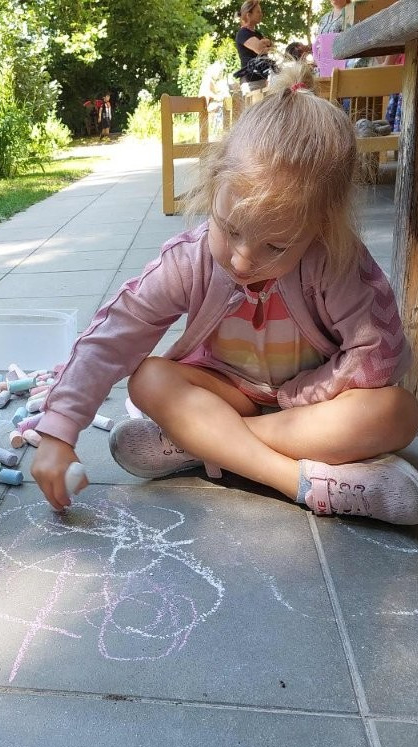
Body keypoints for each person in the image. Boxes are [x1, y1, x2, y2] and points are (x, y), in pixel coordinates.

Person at [31, 62, 418, 528]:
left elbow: (379, 354)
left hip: (316, 408)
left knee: (396, 412)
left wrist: (298, 397)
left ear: (322, 226)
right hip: (228, 393)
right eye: (229, 229)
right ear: (214, 186)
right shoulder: (188, 260)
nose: (240, 260)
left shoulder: (335, 260)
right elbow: (114, 335)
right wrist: (57, 432)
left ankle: (200, 445)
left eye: (274, 246)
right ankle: (303, 481)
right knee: (149, 378)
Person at [235, 1, 272, 94]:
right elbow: (260, 49)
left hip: (260, 79)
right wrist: (264, 43)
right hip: (250, 82)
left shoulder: (257, 34)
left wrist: (266, 43)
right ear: (248, 15)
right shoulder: (243, 33)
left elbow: (270, 46)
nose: (261, 14)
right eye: (258, 12)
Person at [198, 61, 230, 136]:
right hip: (205, 105)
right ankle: (220, 131)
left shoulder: (209, 79)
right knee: (221, 108)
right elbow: (206, 92)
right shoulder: (208, 79)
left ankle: (218, 131)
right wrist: (218, 97)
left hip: (205, 105)